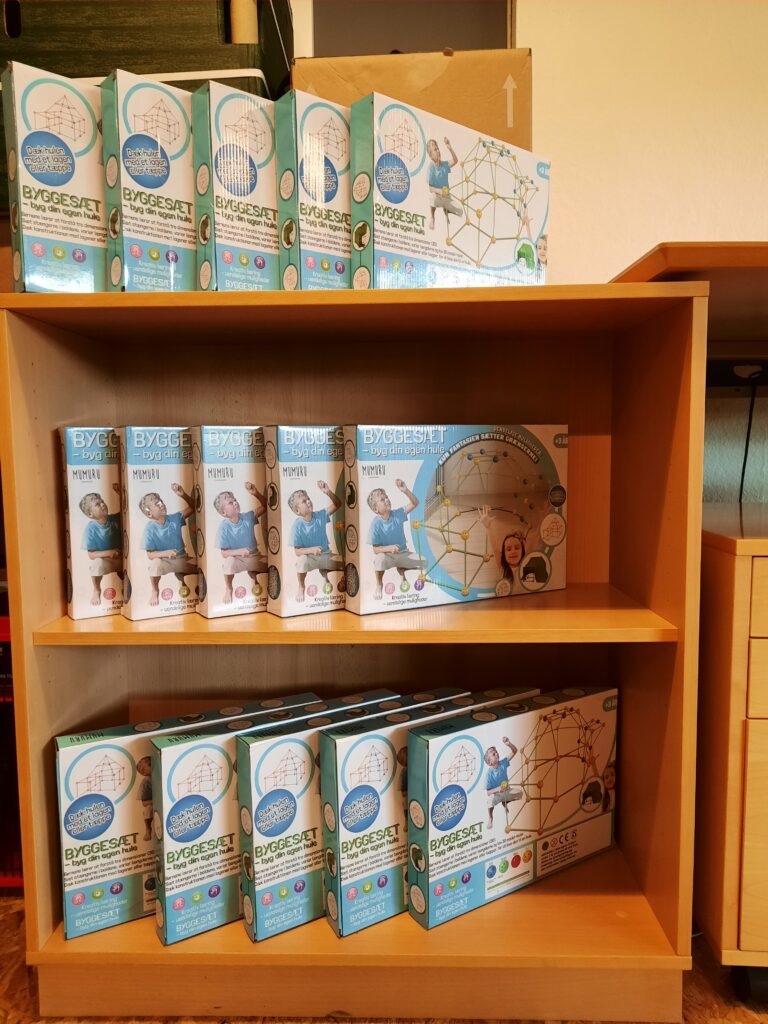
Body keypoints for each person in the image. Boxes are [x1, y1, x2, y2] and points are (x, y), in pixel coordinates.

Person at [139, 484, 197, 606]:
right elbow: (150, 555)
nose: (161, 504)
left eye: (161, 501)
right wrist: (166, 553)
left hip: (182, 559)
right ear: (149, 514)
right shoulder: (150, 528)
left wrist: (183, 495)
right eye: (156, 504)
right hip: (165, 562)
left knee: (201, 565)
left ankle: (180, 575)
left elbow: (193, 507)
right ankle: (155, 590)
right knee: (154, 565)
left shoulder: (175, 518)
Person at [367, 480, 424, 600]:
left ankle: (401, 568)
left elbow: (415, 503)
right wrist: (389, 548)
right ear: (376, 509)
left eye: (386, 497)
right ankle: (379, 584)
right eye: (382, 500)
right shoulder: (375, 524)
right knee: (379, 559)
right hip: (388, 556)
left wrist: (405, 490)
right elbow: (375, 549)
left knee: (424, 562)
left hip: (403, 553)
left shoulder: (398, 514)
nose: (387, 500)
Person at [288, 481, 343, 603]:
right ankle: (301, 586)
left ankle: (324, 572)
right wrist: (311, 550)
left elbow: (338, 504)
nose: (308, 501)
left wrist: (328, 492)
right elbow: (297, 551)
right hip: (310, 558)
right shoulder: (297, 525)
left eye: (308, 498)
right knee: (301, 561)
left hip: (326, 556)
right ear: (297, 511)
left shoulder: (320, 515)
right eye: (304, 501)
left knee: (345, 563)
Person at [213, 481, 268, 604]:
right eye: (230, 503)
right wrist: (239, 551)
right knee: (228, 563)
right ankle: (229, 588)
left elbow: (266, 506)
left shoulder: (248, 517)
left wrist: (256, 493)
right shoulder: (224, 527)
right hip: (238, 560)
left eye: (235, 500)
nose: (235, 503)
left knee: (272, 563)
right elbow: (224, 553)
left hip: (255, 558)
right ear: (223, 513)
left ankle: (253, 575)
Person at [79, 482, 123, 606]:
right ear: (90, 514)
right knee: (96, 564)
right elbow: (91, 554)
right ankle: (97, 589)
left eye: (102, 501)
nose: (102, 504)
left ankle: (124, 583)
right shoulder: (91, 528)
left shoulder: (115, 519)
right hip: (107, 561)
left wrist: (120, 493)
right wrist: (109, 553)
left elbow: (127, 510)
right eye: (97, 504)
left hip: (121, 559)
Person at [478, 504, 527, 588]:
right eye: (508, 549)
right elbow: (495, 549)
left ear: (522, 551)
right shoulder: (503, 569)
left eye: (517, 548)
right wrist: (488, 527)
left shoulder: (527, 565)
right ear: (504, 554)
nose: (513, 551)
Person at [484, 736, 520, 830]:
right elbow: (488, 792)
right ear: (490, 763)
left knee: (520, 794)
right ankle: (490, 818)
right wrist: (497, 789)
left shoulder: (503, 763)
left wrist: (509, 744)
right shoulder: (489, 774)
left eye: (496, 752)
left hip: (506, 790)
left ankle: (505, 801)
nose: (496, 753)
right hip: (497, 794)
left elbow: (515, 751)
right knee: (489, 801)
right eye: (493, 754)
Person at [427, 137, 462, 231]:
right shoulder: (431, 167)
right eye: (435, 150)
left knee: (460, 211)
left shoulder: (444, 165)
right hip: (438, 196)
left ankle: (446, 209)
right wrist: (439, 191)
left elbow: (455, 160)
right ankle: (432, 218)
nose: (438, 151)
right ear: (430, 155)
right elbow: (430, 188)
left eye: (437, 149)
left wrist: (449, 147)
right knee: (432, 198)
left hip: (446, 196)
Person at [135, 756, 153, 842]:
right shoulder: (146, 782)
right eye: (141, 771)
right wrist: (155, 801)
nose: (142, 772)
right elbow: (144, 803)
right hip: (154, 802)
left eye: (143, 768)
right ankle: (148, 829)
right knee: (147, 810)